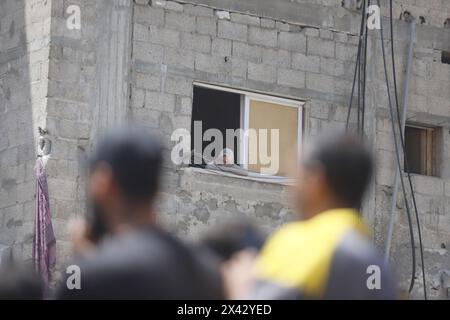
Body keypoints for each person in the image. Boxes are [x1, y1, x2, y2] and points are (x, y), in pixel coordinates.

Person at [56, 127, 224, 299]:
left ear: (104, 183)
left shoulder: (90, 275)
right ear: (157, 188)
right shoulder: (206, 271)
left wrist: (79, 264)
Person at [235, 132, 397, 300]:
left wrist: (239, 285)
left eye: (295, 173)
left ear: (315, 180)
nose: (288, 183)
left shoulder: (296, 243)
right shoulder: (375, 262)